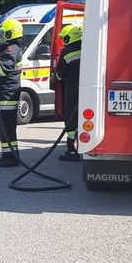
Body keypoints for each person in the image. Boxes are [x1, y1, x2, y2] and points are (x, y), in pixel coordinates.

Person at [0, 17, 25, 167]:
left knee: (7, 128)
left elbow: (3, 70)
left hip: (7, 97)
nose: (2, 36)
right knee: (1, 128)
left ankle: (12, 158)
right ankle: (6, 155)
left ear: (10, 34)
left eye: (4, 33)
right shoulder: (8, 47)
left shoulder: (12, 51)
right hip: (2, 96)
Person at [56, 21, 83, 161]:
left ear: (69, 38)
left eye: (64, 37)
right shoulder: (87, 47)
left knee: (71, 120)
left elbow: (61, 73)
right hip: (88, 90)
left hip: (72, 90)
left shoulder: (67, 52)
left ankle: (72, 151)